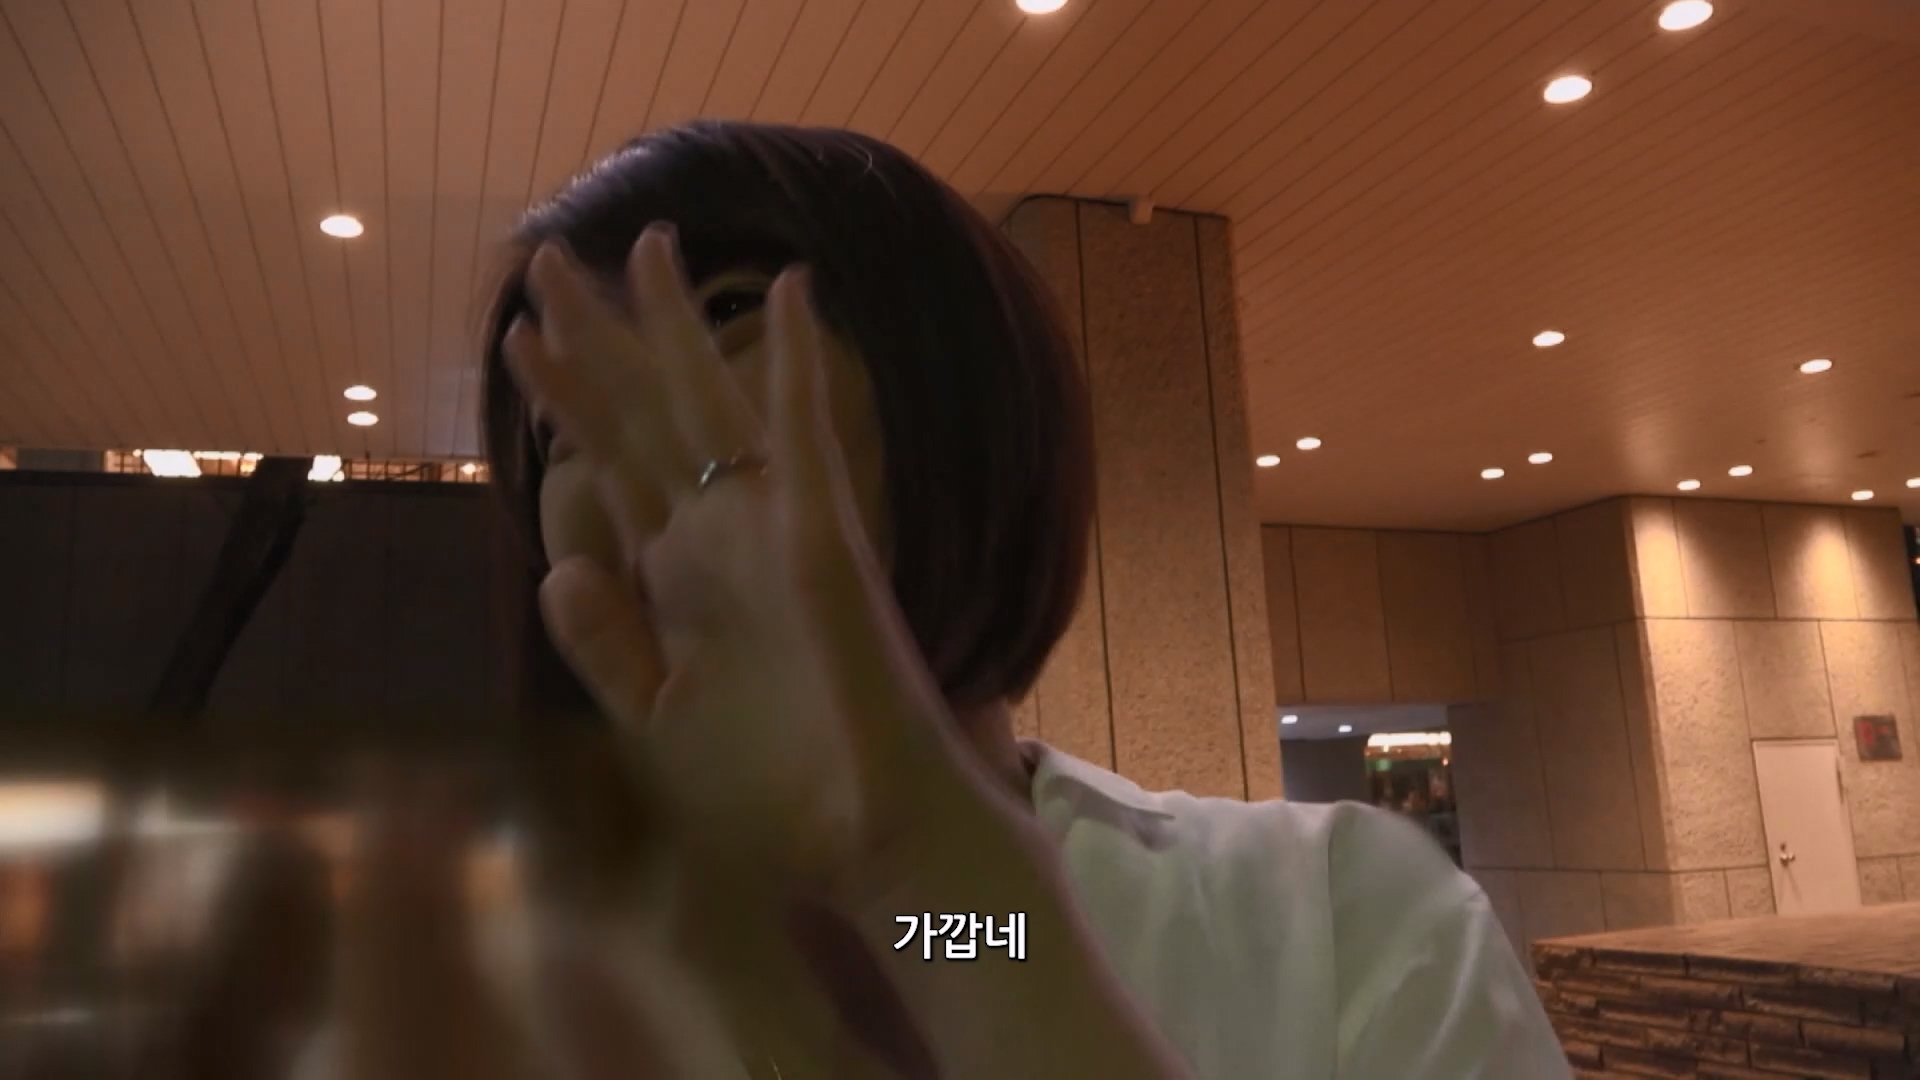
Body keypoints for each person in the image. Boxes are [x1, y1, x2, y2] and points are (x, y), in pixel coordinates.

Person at [334, 120, 1567, 1079]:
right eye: (558, 422)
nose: (631, 422)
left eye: (724, 313)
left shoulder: (1336, 920)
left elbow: (973, 936)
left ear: (952, 385)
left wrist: (918, 862)